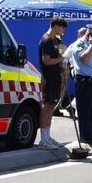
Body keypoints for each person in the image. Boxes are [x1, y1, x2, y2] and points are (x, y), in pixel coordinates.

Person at [68, 25, 92, 150]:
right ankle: (84, 135)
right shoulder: (79, 44)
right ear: (89, 34)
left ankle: (90, 134)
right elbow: (83, 59)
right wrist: (90, 45)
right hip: (84, 82)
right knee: (84, 110)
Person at [36, 16, 69, 149]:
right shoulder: (47, 39)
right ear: (56, 26)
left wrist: (62, 69)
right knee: (47, 106)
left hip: (55, 77)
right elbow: (46, 60)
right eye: (62, 28)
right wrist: (61, 59)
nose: (63, 31)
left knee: (51, 107)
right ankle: (43, 140)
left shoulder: (54, 40)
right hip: (48, 78)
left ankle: (48, 136)